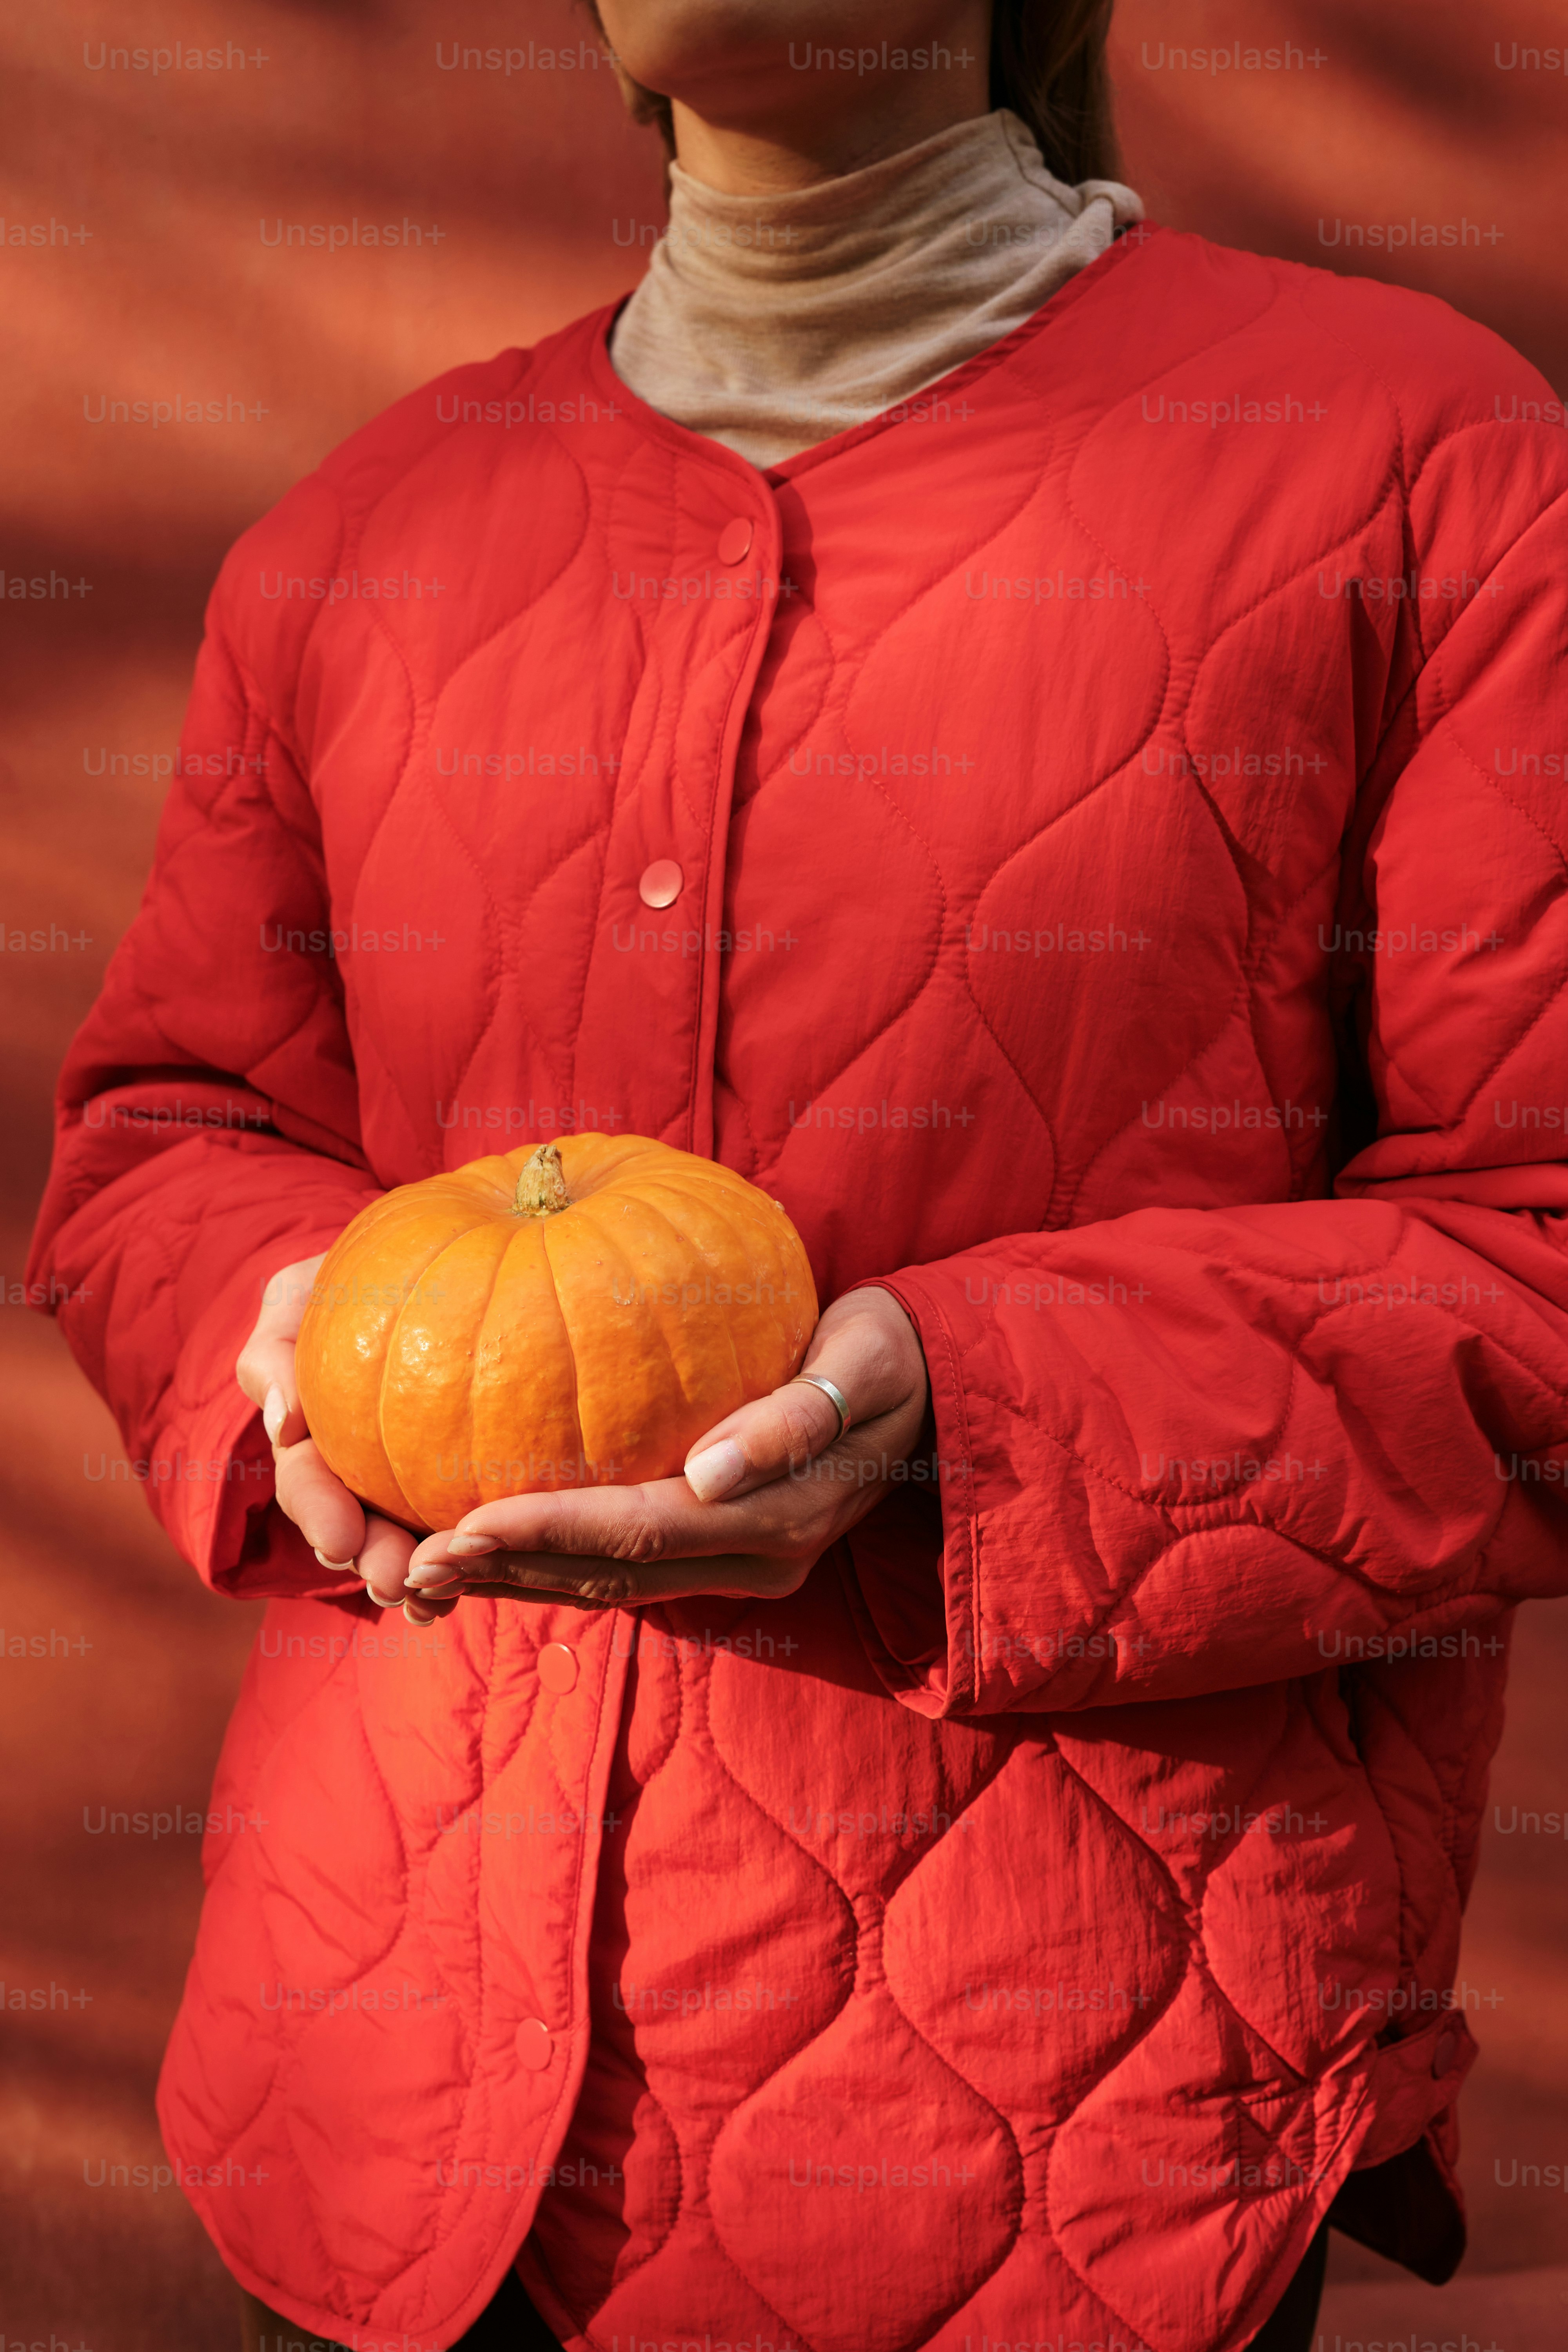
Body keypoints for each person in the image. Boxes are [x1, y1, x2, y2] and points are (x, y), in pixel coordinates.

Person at [28, 2, 1568, 2348]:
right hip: (378, 2098)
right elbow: (167, 1138)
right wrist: (284, 1333)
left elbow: (1537, 1250)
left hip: (1080, 2143)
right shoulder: (356, 534)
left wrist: (968, 1406)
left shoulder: (1423, 459)